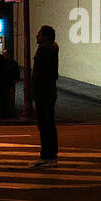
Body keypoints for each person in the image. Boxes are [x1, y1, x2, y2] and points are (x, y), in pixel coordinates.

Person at [30, 26, 59, 167]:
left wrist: (34, 90)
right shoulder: (51, 50)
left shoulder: (44, 51)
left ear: (45, 37)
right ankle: (50, 155)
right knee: (48, 124)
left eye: (39, 34)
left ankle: (48, 156)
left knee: (45, 124)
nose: (36, 36)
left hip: (43, 92)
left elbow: (41, 74)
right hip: (47, 91)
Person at [0, 52, 17, 119]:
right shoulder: (6, 66)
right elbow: (8, 76)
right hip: (4, 86)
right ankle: (3, 115)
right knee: (4, 101)